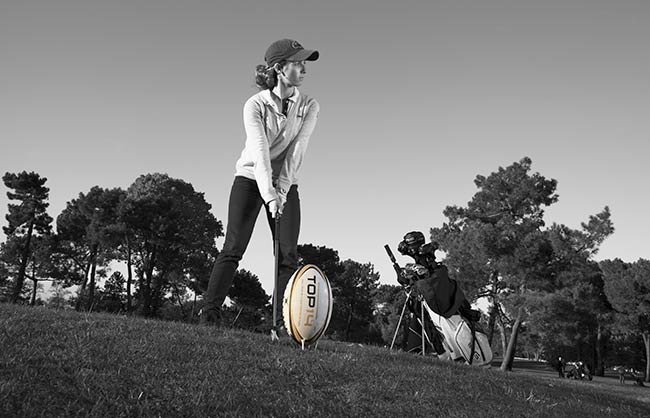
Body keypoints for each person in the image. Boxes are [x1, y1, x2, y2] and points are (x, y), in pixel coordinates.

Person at [200, 39, 320, 332]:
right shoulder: (255, 105)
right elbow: (260, 152)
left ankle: (281, 323)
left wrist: (280, 192)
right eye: (297, 63)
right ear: (279, 69)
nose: (304, 69)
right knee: (233, 247)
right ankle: (209, 315)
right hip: (250, 179)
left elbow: (296, 153)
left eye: (304, 63)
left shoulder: (309, 106)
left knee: (287, 254)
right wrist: (269, 196)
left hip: (287, 183)